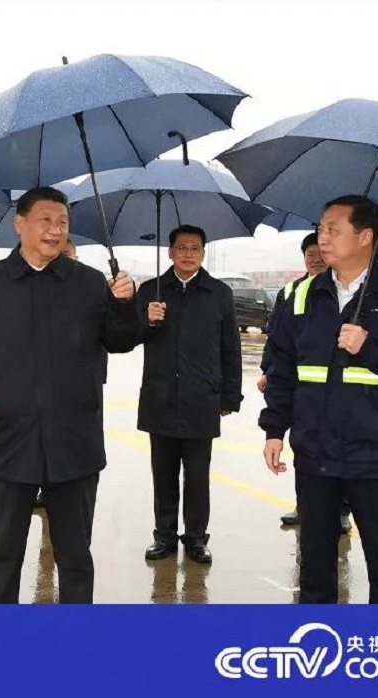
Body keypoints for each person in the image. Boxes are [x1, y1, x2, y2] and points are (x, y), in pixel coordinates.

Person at [0, 186, 138, 603]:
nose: (55, 230)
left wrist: (124, 304)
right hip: (11, 439)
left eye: (63, 222)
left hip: (75, 440)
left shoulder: (89, 283)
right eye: (46, 220)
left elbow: (119, 340)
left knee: (75, 556)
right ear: (20, 225)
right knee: (4, 552)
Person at [261, 194, 378, 603]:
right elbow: (282, 370)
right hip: (316, 453)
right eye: (321, 229)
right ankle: (316, 639)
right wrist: (274, 430)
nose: (322, 238)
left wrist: (369, 347)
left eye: (333, 230)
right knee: (315, 567)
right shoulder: (299, 296)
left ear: (365, 236)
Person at [136, 224, 242, 564]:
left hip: (201, 398)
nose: (188, 254)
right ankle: (164, 536)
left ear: (203, 253)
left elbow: (231, 348)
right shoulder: (150, 291)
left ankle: (196, 538)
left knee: (197, 476)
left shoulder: (219, 293)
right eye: (181, 248)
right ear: (170, 252)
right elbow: (124, 336)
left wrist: (230, 396)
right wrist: (146, 320)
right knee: (163, 474)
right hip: (161, 397)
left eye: (195, 248)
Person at [258, 232, 352, 533]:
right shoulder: (291, 293)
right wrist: (268, 372)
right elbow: (276, 340)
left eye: (320, 254)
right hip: (302, 388)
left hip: (339, 390)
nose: (316, 259)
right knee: (306, 451)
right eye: (310, 254)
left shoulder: (347, 292)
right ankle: (304, 505)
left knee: (341, 449)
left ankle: (342, 511)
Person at [33, 238, 109, 510]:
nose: (62, 258)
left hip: (80, 391)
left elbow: (112, 336)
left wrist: (122, 305)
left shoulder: (91, 286)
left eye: (68, 254)